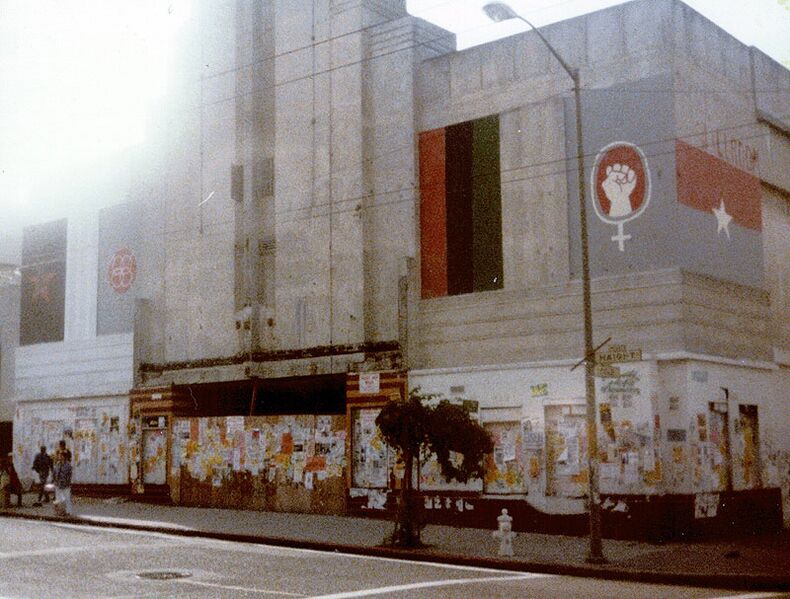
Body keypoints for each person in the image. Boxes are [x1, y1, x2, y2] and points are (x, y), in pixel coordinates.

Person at [52, 447, 73, 517]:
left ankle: (68, 512)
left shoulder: (68, 465)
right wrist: (54, 480)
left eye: (60, 456)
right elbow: (54, 473)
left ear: (64, 457)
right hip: (58, 484)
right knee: (58, 499)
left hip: (65, 484)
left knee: (67, 498)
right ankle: (60, 512)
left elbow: (69, 475)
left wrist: (67, 483)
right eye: (59, 456)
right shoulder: (57, 464)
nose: (59, 457)